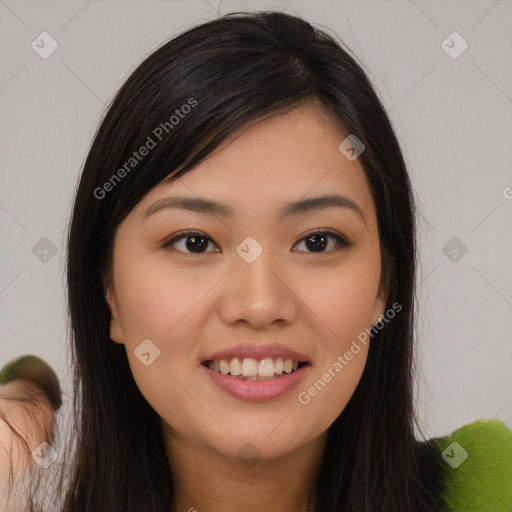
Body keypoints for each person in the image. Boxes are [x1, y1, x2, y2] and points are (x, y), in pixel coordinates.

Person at [0, 10, 510, 512]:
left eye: (317, 242)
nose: (260, 304)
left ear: (385, 287)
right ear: (107, 290)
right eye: (194, 242)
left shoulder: (489, 489)